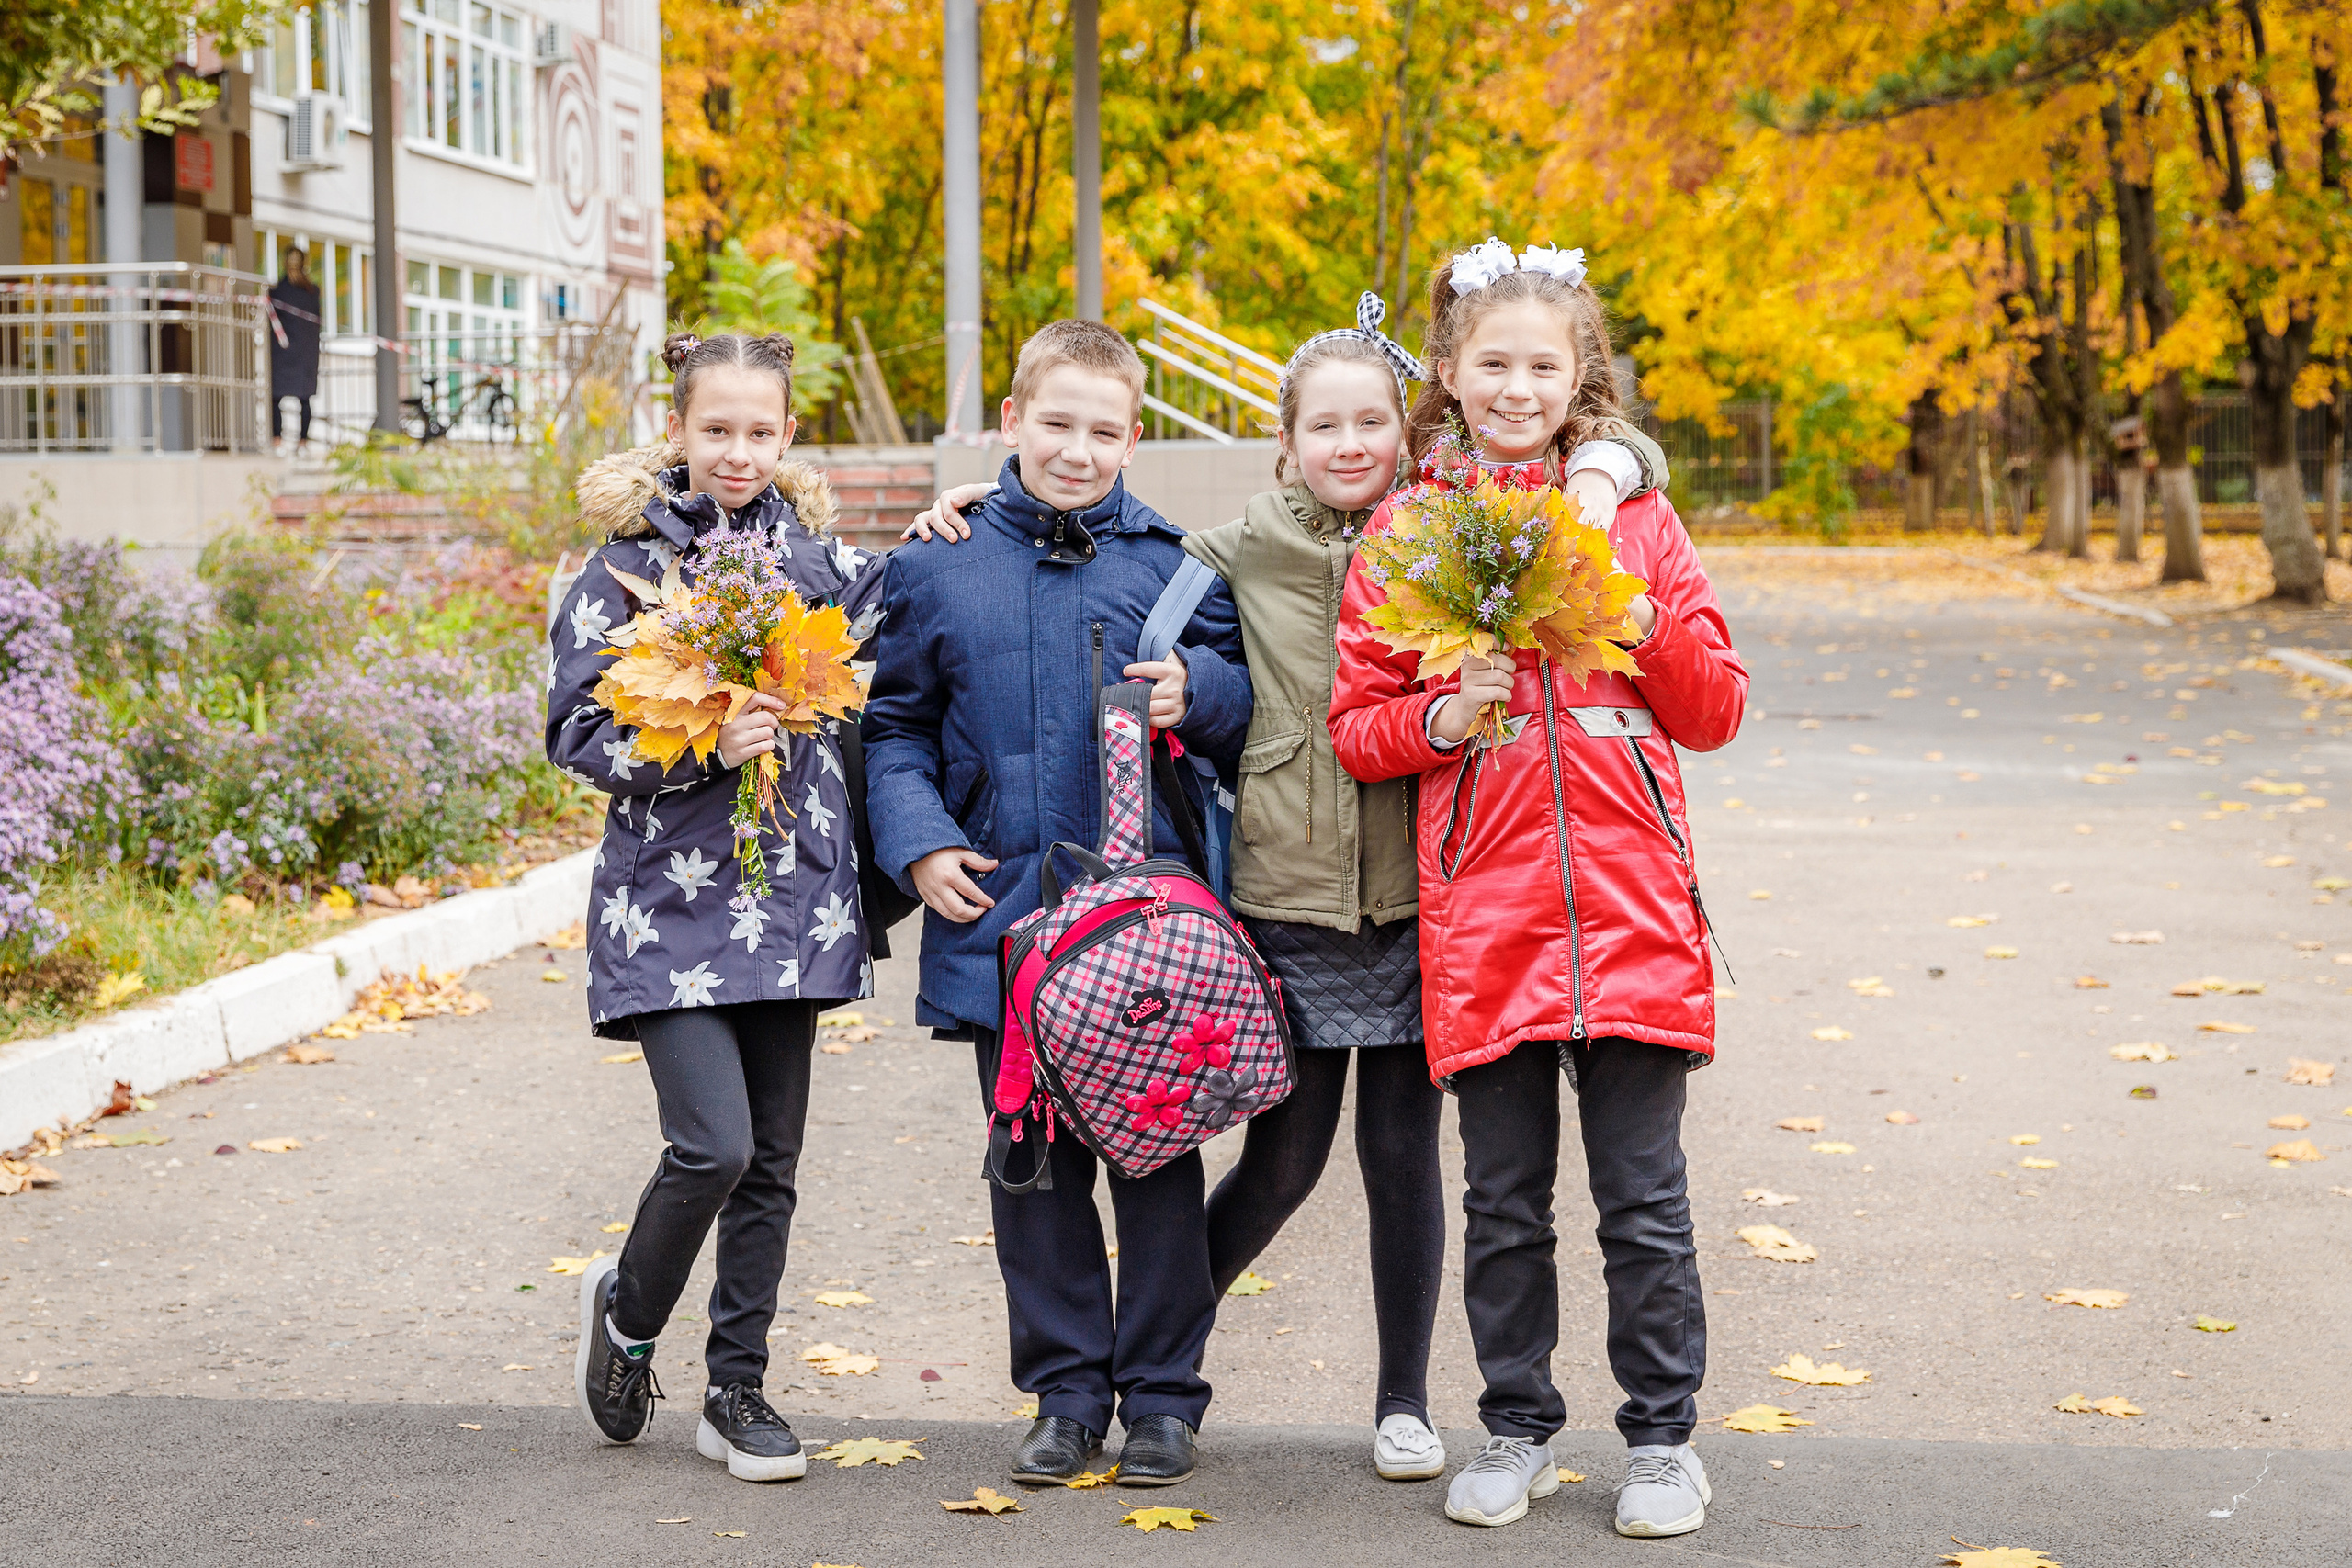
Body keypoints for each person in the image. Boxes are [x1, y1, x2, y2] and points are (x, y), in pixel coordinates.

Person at [910, 294, 1670, 1484]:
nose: (1352, 442)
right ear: (1286, 440)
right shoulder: (1231, 547)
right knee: (1283, 1156)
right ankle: (1147, 1352)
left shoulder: (1460, 529)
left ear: (1411, 433)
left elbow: (1599, 460)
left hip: (1430, 893)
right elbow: (1164, 622)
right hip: (1286, 895)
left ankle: (1397, 1399)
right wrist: (966, 508)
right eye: (1326, 424)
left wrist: (1617, 463)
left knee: (1405, 1154)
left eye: (1375, 420)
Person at [1328, 240, 1747, 1535]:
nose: (1517, 386)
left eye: (1542, 366)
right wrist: (1446, 716)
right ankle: (1515, 1426)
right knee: (1503, 1200)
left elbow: (1716, 706)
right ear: (1447, 373)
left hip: (1631, 906)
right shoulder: (1408, 529)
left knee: (1645, 1200)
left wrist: (1629, 595)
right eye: (1492, 362)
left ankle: (1664, 1439)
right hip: (1487, 915)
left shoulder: (1634, 512)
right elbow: (1359, 726)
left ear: (1581, 380)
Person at [861, 319, 1252, 1488]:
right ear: (1011, 426)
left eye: (1102, 431)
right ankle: (1067, 1395)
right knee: (1028, 1168)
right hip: (1004, 921)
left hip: (1147, 930)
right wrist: (923, 844)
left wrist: (1205, 692)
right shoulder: (937, 564)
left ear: (1134, 439)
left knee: (1155, 1160)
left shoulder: (1176, 569)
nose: (1077, 451)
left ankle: (1165, 1399)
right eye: (1055, 424)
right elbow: (893, 727)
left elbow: (1244, 710)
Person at [548, 331, 886, 1483]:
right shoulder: (627, 567)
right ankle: (631, 1319)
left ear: (787, 436)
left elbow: (882, 653)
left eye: (760, 431)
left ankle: (736, 1391)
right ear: (679, 430)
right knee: (715, 1146)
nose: (738, 452)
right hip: (669, 909)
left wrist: (949, 522)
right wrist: (699, 744)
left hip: (792, 901)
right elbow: (574, 729)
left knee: (773, 1159)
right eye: (716, 430)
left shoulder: (819, 562)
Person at [267, 247, 322, 453]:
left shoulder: (276, 291)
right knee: (304, 399)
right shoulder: (311, 292)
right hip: (306, 353)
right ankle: (302, 443)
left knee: (276, 397)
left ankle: (277, 441)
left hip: (282, 351)